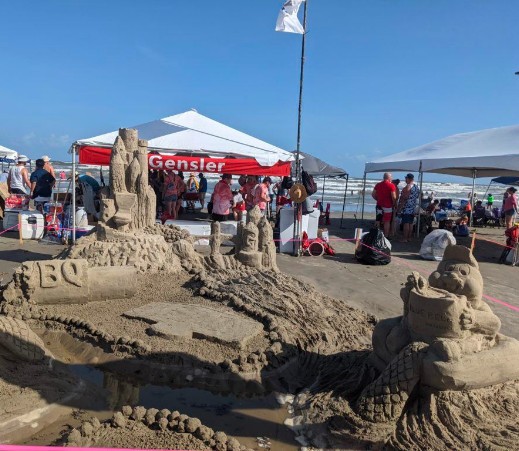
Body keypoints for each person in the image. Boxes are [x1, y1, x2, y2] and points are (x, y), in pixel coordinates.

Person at [372, 173, 397, 238]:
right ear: (389, 178)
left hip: (379, 205)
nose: (392, 178)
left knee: (378, 220)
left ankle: (376, 234)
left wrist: (377, 199)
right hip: (388, 206)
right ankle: (386, 236)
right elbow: (393, 197)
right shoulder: (391, 185)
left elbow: (373, 194)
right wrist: (394, 203)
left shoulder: (378, 184)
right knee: (387, 221)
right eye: (391, 177)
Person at [397, 173, 419, 242]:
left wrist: (399, 208)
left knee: (406, 223)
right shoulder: (416, 187)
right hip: (413, 207)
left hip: (407, 207)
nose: (405, 179)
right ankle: (409, 237)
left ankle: (405, 238)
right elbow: (418, 196)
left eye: (406, 178)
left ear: (409, 179)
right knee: (411, 223)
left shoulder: (408, 186)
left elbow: (405, 198)